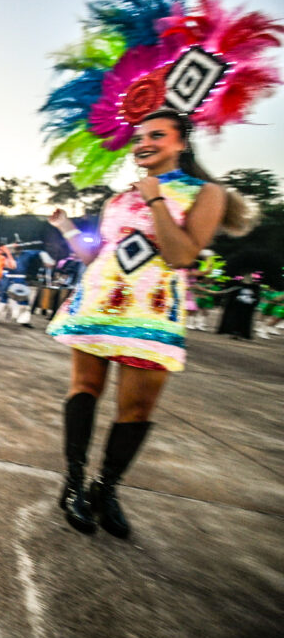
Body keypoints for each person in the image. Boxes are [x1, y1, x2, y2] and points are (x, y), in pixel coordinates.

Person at [47, 109, 255, 537]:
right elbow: (96, 256)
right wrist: (66, 228)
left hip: (152, 313)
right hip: (99, 303)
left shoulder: (207, 194)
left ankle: (106, 489)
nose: (143, 144)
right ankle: (73, 484)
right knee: (84, 389)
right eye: (139, 138)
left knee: (138, 408)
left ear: (181, 143)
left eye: (156, 135)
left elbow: (181, 254)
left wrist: (156, 199)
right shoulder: (118, 198)